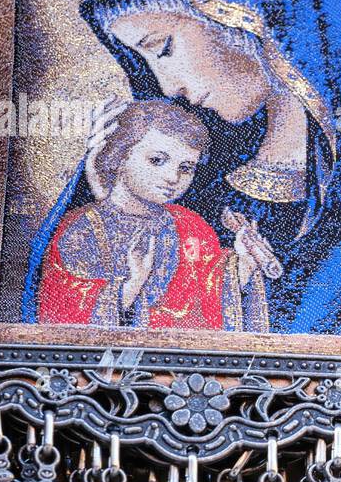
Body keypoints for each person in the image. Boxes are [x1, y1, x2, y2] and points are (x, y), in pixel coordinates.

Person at [21, 0, 341, 336]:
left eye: (165, 49)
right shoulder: (194, 168)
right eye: (147, 63)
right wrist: (105, 186)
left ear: (249, 13)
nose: (166, 86)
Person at [37, 100, 275, 331]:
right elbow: (61, 315)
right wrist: (129, 287)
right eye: (157, 160)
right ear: (120, 156)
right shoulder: (83, 229)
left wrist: (244, 265)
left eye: (186, 168)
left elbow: (210, 299)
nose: (173, 177)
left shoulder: (190, 226)